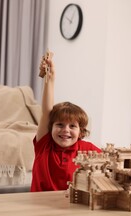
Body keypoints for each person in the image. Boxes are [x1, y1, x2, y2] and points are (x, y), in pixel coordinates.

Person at [30, 51, 102, 192]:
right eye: (60, 125)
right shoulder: (44, 145)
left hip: (72, 207)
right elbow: (47, 111)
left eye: (72, 126)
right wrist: (51, 78)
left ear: (81, 131)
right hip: (39, 206)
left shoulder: (87, 149)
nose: (66, 130)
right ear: (50, 128)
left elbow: (111, 162)